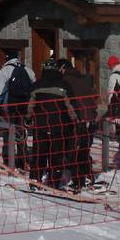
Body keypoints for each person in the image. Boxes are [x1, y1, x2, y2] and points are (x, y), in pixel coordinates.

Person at [27, 61, 79, 189]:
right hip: (58, 126)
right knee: (56, 155)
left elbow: (30, 106)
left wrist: (28, 118)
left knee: (39, 154)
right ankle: (54, 182)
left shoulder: (37, 85)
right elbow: (70, 107)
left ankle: (35, 180)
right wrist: (74, 121)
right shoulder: (64, 85)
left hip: (40, 126)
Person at [58, 59, 96, 189]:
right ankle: (88, 176)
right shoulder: (82, 79)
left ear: (63, 68)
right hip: (89, 119)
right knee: (84, 150)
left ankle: (78, 181)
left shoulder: (64, 81)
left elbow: (67, 103)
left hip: (76, 120)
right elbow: (92, 98)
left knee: (73, 151)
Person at [0, 51, 35, 169]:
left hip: (8, 108)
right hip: (23, 107)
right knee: (21, 132)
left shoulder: (5, 70)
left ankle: (8, 161)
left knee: (8, 133)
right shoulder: (27, 70)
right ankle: (23, 160)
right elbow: (33, 87)